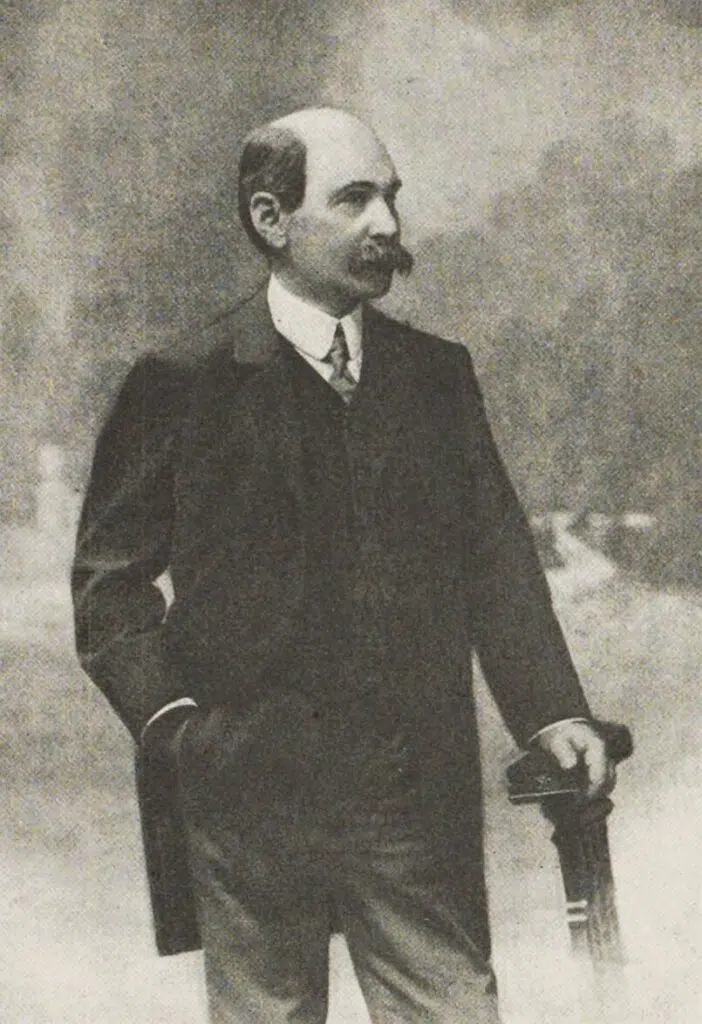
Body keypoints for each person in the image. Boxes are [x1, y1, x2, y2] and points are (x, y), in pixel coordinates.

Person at [72, 107, 616, 1023]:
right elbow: (108, 585)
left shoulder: (435, 376)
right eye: (354, 199)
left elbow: (496, 565)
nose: (386, 225)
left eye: (391, 198)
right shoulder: (184, 379)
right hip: (249, 797)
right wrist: (176, 731)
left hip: (412, 793)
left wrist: (552, 711)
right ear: (271, 219)